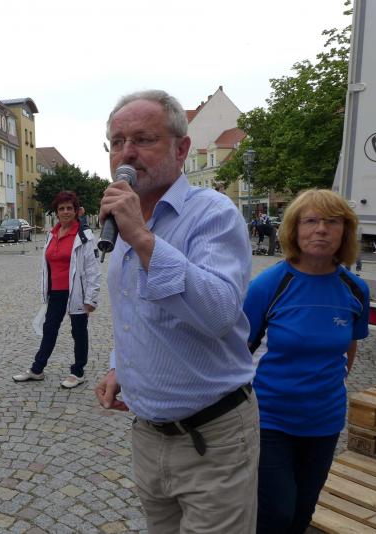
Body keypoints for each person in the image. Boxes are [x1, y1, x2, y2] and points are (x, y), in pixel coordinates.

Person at [94, 90, 259, 533]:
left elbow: (219, 313)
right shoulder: (124, 223)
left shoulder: (213, 215)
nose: (127, 153)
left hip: (213, 439)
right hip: (148, 436)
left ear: (181, 149)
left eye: (144, 139)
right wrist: (119, 366)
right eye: (117, 142)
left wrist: (143, 239)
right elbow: (134, 311)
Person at [243, 189, 369, 534]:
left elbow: (348, 348)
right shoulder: (268, 286)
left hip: (324, 422)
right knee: (276, 512)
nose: (321, 229)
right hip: (269, 419)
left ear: (345, 231)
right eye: (310, 221)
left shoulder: (355, 289)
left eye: (332, 222)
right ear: (294, 230)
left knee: (303, 511)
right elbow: (238, 351)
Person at [13, 191, 100, 389]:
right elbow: (47, 266)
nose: (66, 212)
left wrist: (91, 298)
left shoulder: (84, 236)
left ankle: (77, 372)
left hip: (76, 292)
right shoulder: (52, 234)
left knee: (78, 332)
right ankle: (37, 369)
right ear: (56, 212)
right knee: (49, 330)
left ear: (76, 211)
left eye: (69, 208)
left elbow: (93, 270)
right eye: (62, 208)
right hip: (56, 292)